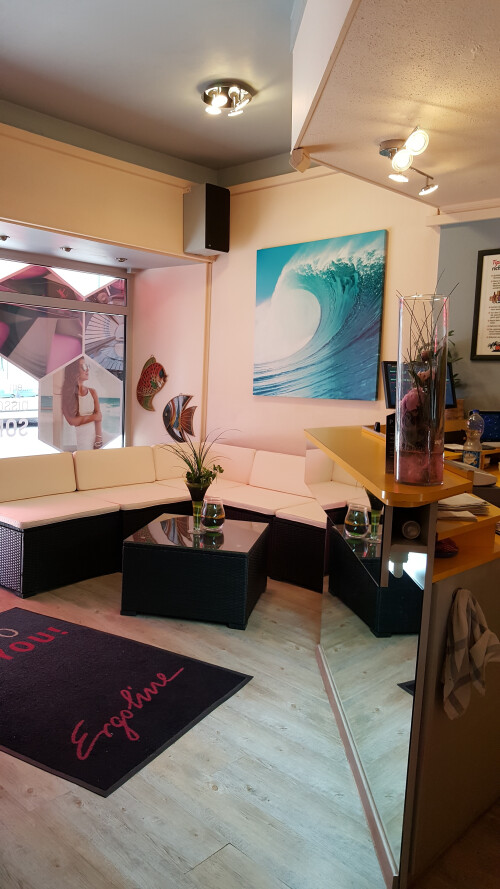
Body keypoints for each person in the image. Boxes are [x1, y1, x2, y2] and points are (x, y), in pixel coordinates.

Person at [62, 357, 103, 449]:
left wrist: (99, 438)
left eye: (87, 366)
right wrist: (94, 417)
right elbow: (72, 421)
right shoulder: (67, 394)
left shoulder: (92, 392)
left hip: (97, 435)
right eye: (83, 366)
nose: (87, 369)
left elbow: (99, 417)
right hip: (80, 438)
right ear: (74, 371)